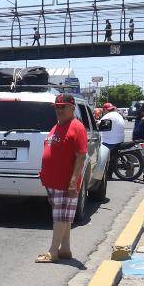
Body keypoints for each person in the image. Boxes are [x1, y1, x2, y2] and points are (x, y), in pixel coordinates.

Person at [36, 94, 87, 264]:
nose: (59, 110)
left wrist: (73, 182)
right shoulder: (57, 126)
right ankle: (65, 248)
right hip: (53, 181)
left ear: (72, 108)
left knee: (60, 217)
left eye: (63, 107)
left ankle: (53, 252)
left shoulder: (77, 127)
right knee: (61, 215)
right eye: (57, 107)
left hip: (65, 182)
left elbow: (81, 157)